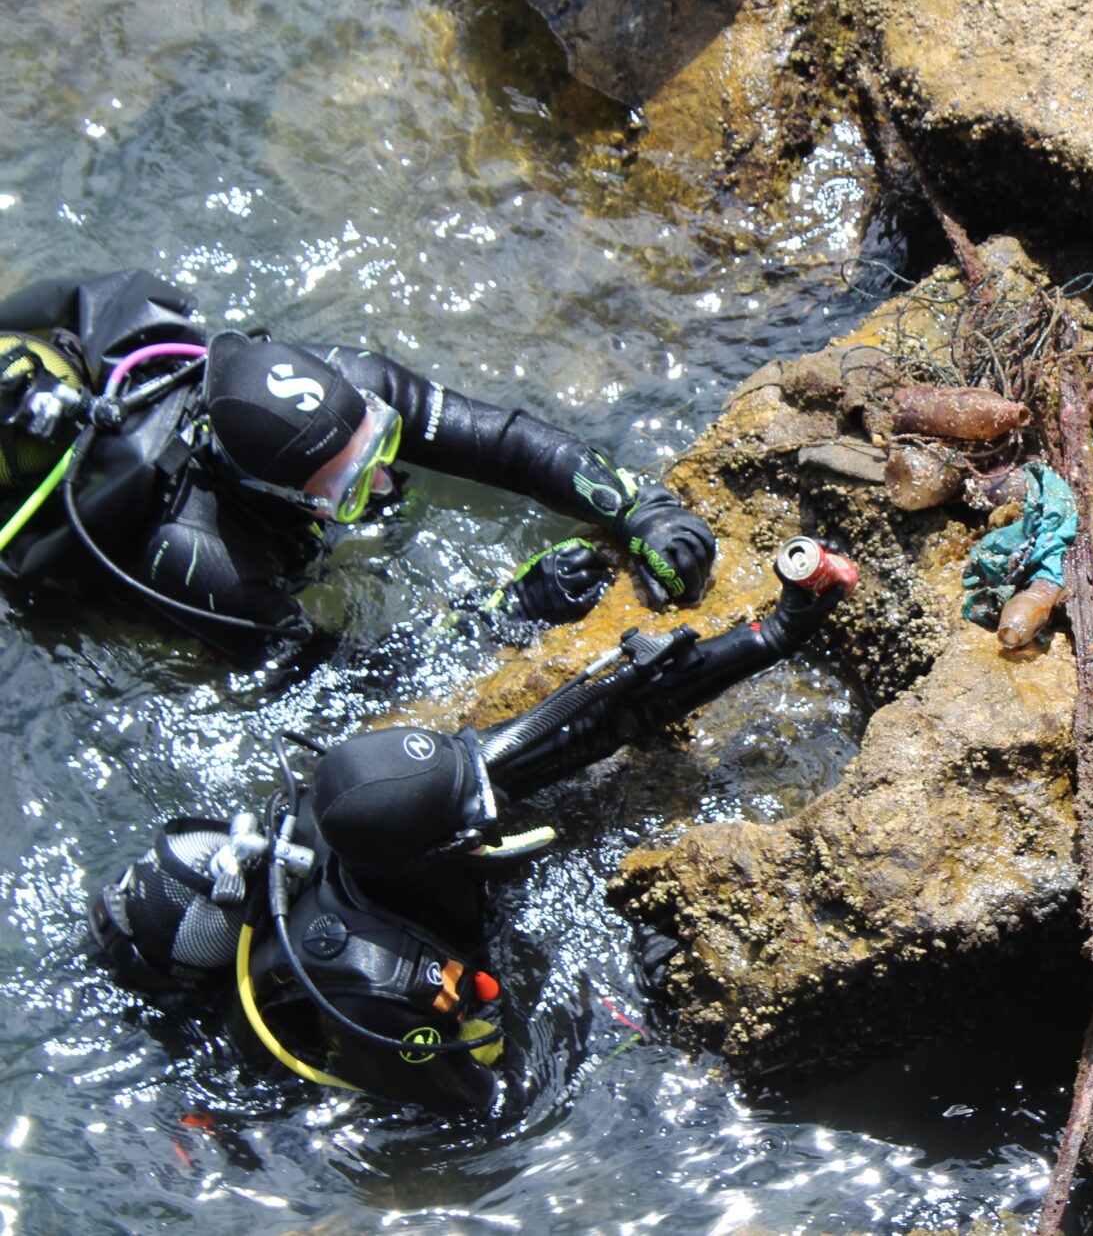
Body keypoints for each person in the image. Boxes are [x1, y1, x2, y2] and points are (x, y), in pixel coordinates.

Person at [89, 537, 858, 1112]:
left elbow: (606, 715)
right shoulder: (378, 989)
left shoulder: (411, 800)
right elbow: (496, 1109)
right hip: (310, 1070)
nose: (489, 798)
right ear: (432, 855)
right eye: (473, 810)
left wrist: (778, 634)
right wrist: (639, 995)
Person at [0, 269, 715, 664]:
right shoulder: (209, 560)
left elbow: (502, 441)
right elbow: (335, 675)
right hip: (99, 557)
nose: (383, 484)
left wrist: (638, 504)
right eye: (345, 490)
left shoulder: (353, 379)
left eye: (378, 447)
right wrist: (509, 612)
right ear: (266, 491)